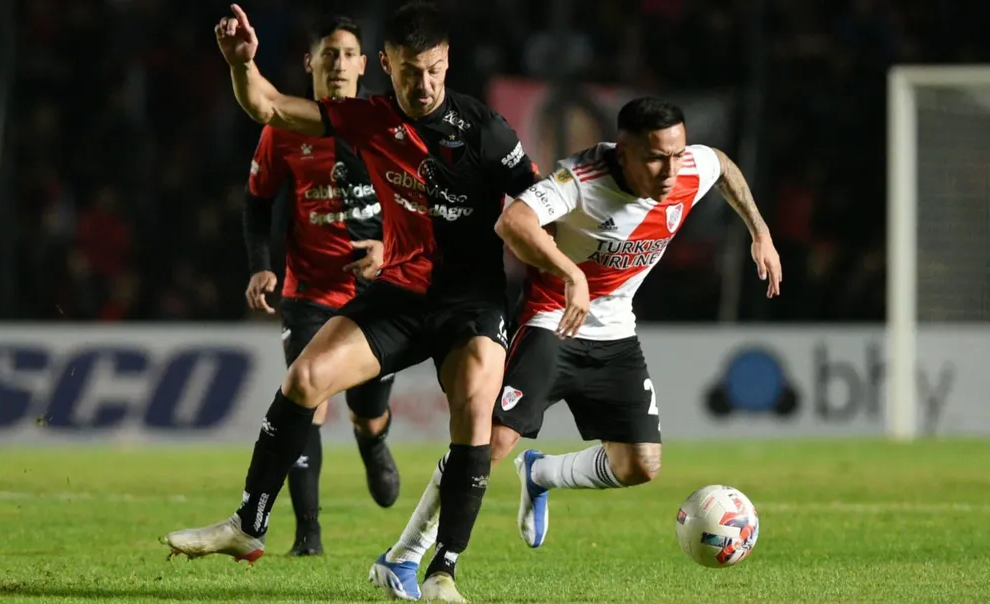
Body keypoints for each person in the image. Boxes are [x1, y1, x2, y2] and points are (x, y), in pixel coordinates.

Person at [163, 3, 538, 602]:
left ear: (448, 63)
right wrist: (242, 64)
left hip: (470, 303)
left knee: (472, 409)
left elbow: (537, 202)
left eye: (436, 70)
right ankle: (247, 525)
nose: (425, 85)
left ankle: (441, 571)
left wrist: (561, 269)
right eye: (411, 72)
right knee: (305, 376)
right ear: (386, 66)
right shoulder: (368, 118)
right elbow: (269, 107)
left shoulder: (485, 129)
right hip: (401, 293)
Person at [374, 97, 781, 576]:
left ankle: (541, 472)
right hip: (552, 320)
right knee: (493, 441)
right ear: (623, 151)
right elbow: (513, 222)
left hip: (615, 330)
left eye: (677, 153)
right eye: (656, 157)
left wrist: (760, 231)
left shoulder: (689, 167)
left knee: (640, 465)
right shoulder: (581, 180)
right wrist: (571, 273)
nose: (671, 169)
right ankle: (404, 555)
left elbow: (724, 165)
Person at [242, 15, 401, 557]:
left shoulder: (384, 126)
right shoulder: (283, 129)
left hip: (379, 292)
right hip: (308, 290)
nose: (338, 64)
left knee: (367, 406)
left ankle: (373, 436)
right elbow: (257, 202)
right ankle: (307, 535)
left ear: (364, 65)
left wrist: (388, 251)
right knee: (304, 397)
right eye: (328, 54)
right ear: (310, 63)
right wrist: (261, 264)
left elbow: (417, 206)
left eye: (348, 54)